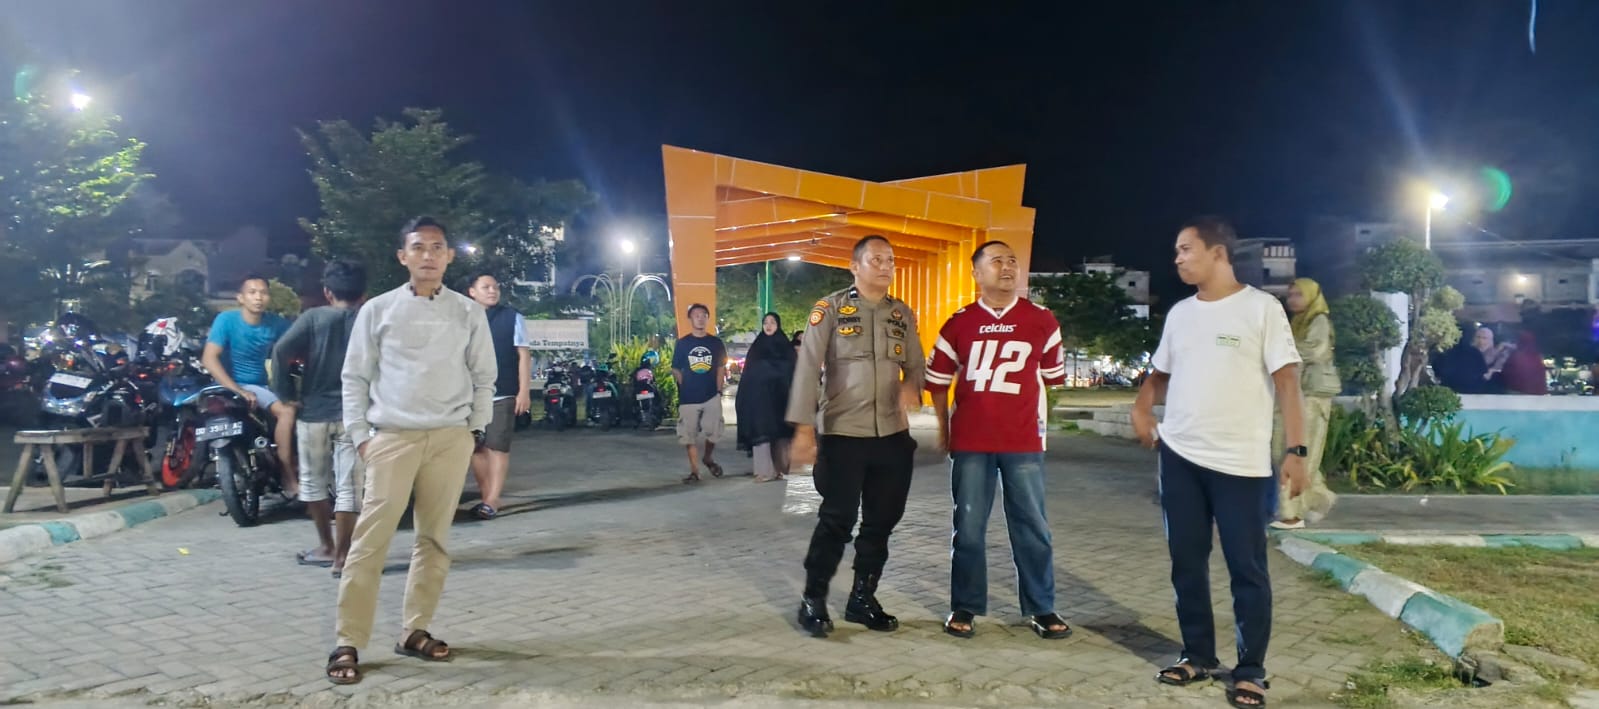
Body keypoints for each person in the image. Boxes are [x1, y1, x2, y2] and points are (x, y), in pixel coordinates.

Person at [1129, 217, 1308, 709]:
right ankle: (1197, 655)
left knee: (1246, 567)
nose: (1178, 258)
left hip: (1241, 463)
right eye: (1176, 250)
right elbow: (1160, 373)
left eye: (1186, 249)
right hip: (1180, 455)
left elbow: (1288, 382)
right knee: (1187, 562)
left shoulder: (1261, 308)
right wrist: (1142, 407)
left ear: (1218, 253)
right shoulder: (1181, 314)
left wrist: (1296, 451)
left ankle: (1250, 670)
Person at [326, 216, 496, 685]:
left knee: (434, 540)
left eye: (437, 247)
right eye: (418, 247)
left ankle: (414, 630)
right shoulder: (378, 310)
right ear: (403, 256)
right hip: (392, 437)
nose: (428, 255)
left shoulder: (468, 312)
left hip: (449, 439)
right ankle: (348, 640)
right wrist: (362, 436)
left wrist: (473, 429)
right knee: (370, 542)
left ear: (449, 256)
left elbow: (484, 376)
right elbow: (355, 377)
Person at [924, 240, 1073, 640]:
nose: (1007, 267)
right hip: (971, 442)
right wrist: (943, 428)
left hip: (1023, 442)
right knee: (969, 527)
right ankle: (965, 604)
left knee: (1032, 526)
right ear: (976, 273)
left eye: (1012, 260)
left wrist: (1038, 422)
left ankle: (1041, 607)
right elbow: (937, 381)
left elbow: (1051, 378)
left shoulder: (1042, 320)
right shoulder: (959, 323)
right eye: (996, 261)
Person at [788, 235, 925, 637]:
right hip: (843, 433)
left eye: (890, 260)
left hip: (892, 436)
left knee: (881, 522)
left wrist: (912, 385)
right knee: (837, 520)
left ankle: (862, 598)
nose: (885, 266)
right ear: (855, 266)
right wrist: (803, 430)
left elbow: (917, 364)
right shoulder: (829, 309)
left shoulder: (901, 313)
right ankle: (813, 599)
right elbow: (807, 369)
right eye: (876, 259)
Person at [271, 259, 368, 572]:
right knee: (349, 486)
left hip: (313, 413)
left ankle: (326, 546)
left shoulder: (313, 317)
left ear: (328, 292)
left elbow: (281, 351)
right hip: (355, 415)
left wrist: (286, 394)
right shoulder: (369, 318)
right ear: (363, 294)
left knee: (313, 482)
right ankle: (344, 555)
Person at [202, 274, 297, 497]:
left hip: (260, 388)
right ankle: (288, 477)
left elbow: (300, 341)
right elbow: (209, 358)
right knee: (286, 412)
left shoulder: (276, 324)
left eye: (263, 293)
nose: (258, 298)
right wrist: (238, 390)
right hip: (232, 386)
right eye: (252, 293)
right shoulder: (226, 320)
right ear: (240, 298)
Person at [1271, 277, 1341, 530]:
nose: (1292, 300)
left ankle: (1292, 514)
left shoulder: (1318, 320)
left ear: (1312, 296)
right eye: (1290, 295)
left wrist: (1277, 351)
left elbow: (1315, 350)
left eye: (1298, 294)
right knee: (1286, 451)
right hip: (1296, 393)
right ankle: (1319, 499)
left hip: (1311, 396)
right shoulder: (1299, 322)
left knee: (1295, 453)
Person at [464, 272, 532, 520]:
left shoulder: (512, 318)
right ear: (472, 292)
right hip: (468, 394)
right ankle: (486, 498)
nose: (492, 291)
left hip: (502, 392)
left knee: (497, 447)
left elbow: (524, 355)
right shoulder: (462, 318)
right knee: (475, 448)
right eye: (486, 287)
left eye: (495, 287)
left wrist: (523, 391)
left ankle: (493, 500)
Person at [735, 312, 795, 482]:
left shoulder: (786, 347)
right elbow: (749, 374)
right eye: (766, 322)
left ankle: (779, 469)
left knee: (780, 435)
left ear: (778, 325)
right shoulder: (757, 347)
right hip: (760, 400)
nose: (768, 326)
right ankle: (763, 471)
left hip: (781, 398)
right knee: (761, 434)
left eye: (772, 322)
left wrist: (768, 368)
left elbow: (793, 371)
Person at [672, 303, 728, 483]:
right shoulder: (683, 343)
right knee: (688, 435)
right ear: (690, 319)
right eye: (696, 315)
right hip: (688, 398)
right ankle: (695, 471)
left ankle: (708, 458)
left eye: (704, 315)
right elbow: (675, 368)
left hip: (711, 395)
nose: (700, 318)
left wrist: (718, 391)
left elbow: (721, 368)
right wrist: (685, 385)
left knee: (714, 431)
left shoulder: (716, 343)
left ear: (707, 318)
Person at [1501, 330, 1547, 395]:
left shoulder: (1515, 356)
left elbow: (1506, 373)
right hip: (1536, 395)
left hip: (1517, 393)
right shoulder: (1536, 357)